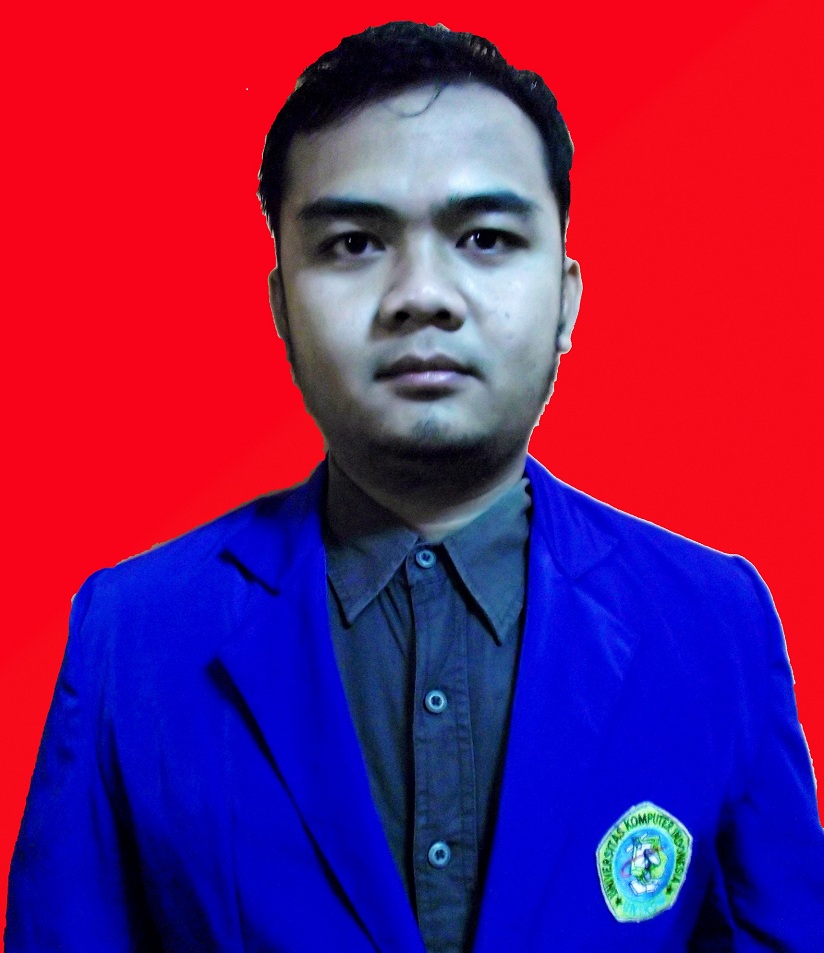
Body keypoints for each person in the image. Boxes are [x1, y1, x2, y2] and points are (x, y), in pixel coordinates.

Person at [6, 21, 824, 953]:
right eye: (355, 243)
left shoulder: (714, 621)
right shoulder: (132, 636)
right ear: (281, 307)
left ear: (565, 298)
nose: (421, 294)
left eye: (485, 237)